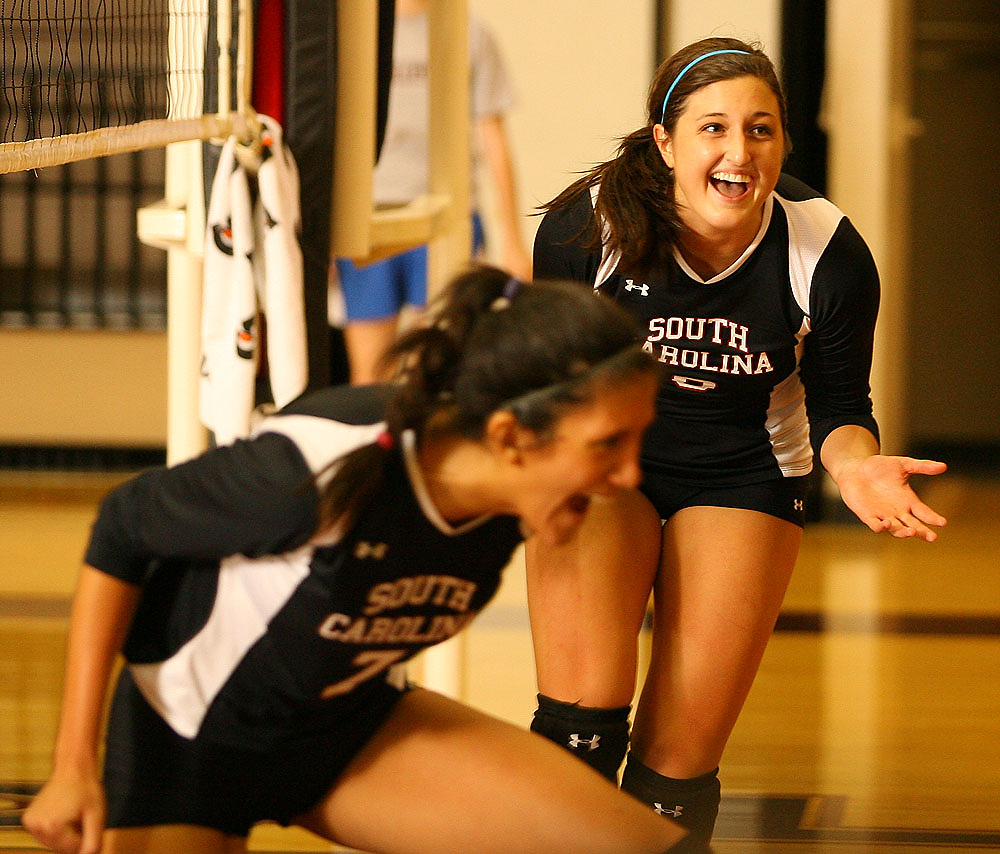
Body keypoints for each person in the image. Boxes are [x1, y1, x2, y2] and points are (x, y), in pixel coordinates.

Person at [22, 266, 715, 854]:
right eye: (607, 444)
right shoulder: (321, 468)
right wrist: (73, 764)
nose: (629, 473)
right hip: (189, 742)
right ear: (510, 437)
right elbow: (123, 526)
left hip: (343, 734)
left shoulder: (509, 502)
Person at [526, 36, 948, 845]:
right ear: (666, 141)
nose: (738, 150)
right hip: (608, 466)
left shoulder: (827, 251)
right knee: (579, 729)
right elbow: (552, 383)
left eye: (761, 129)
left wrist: (857, 468)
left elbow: (839, 404)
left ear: (785, 142)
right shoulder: (592, 227)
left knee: (675, 768)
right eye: (713, 128)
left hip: (745, 472)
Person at [333, 0, 533, 385]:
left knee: (440, 365)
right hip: (368, 218)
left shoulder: (469, 32)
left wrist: (512, 239)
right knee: (370, 374)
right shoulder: (355, 31)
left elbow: (493, 140)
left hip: (446, 218)